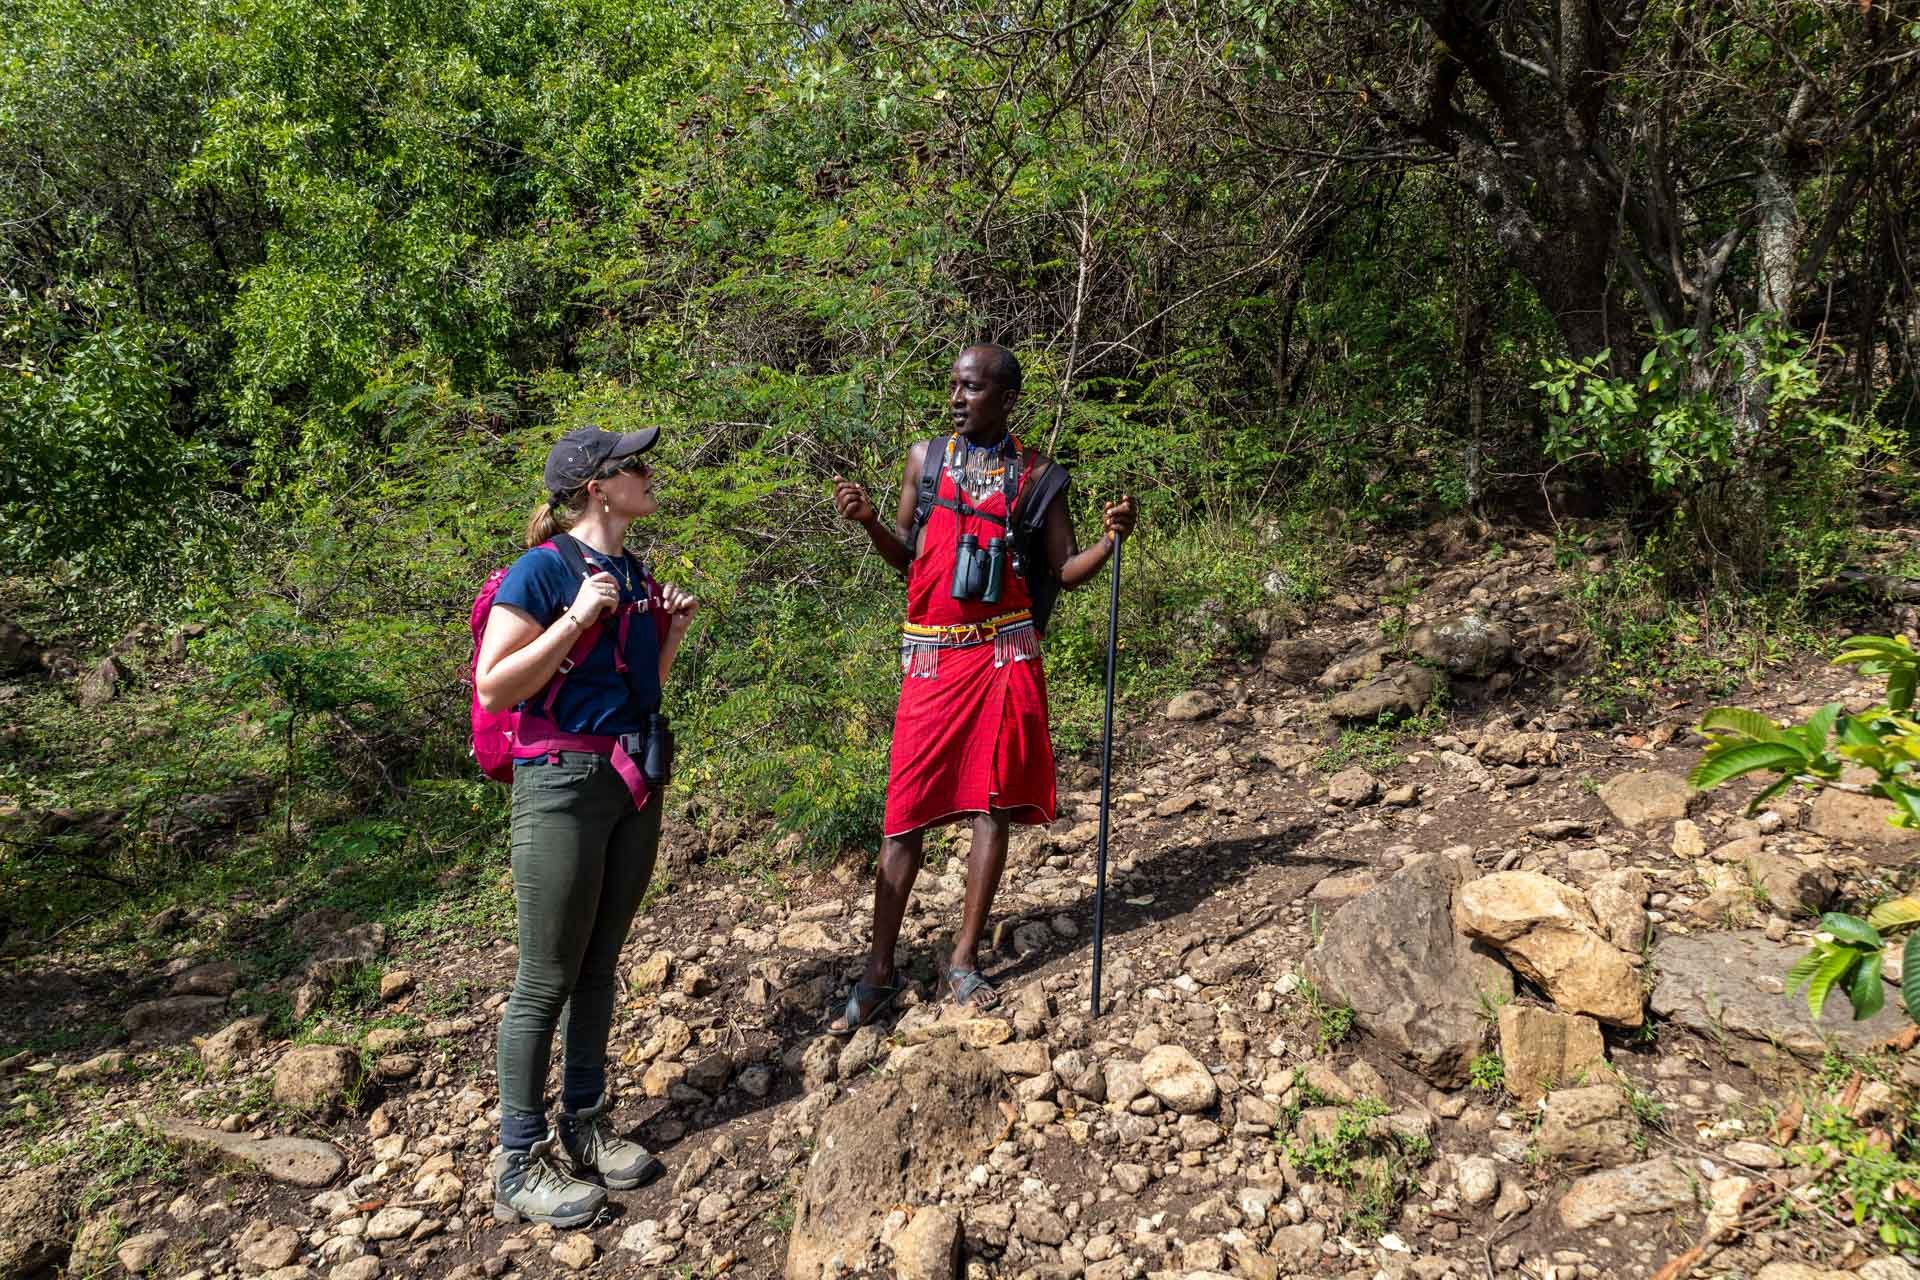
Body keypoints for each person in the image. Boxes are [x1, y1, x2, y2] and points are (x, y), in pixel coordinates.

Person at [829, 343, 1136, 1028]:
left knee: (990, 804)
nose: (956, 400)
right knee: (905, 812)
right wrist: (871, 521)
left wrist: (1111, 543)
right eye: (952, 388)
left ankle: (962, 959)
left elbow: (1061, 569)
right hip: (933, 659)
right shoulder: (925, 459)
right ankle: (879, 968)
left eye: (970, 388)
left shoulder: (1039, 475)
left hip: (1003, 657)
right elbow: (907, 556)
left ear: (1006, 398)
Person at [473, 425, 697, 1228]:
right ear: (597, 488)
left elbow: (639, 688)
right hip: (560, 785)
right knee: (545, 976)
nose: (648, 474)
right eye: (634, 465)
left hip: (632, 777)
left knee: (601, 965)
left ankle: (586, 1125)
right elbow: (496, 688)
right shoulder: (545, 571)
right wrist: (572, 618)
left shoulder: (631, 573)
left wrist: (667, 633)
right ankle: (517, 1160)